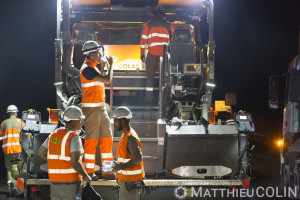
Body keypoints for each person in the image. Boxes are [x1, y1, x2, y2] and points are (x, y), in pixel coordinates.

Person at [38, 105, 92, 200]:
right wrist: (86, 176)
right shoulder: (74, 137)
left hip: (55, 183)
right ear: (75, 121)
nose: (82, 123)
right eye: (80, 120)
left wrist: (57, 163)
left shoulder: (53, 134)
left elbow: (41, 153)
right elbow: (75, 162)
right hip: (71, 184)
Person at [80, 40, 114, 180]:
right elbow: (107, 80)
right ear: (91, 54)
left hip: (100, 110)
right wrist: (111, 65)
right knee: (91, 142)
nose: (101, 55)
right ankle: (89, 173)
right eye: (98, 53)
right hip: (92, 112)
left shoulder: (93, 68)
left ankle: (107, 172)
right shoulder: (87, 69)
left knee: (107, 141)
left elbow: (103, 79)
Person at [140, 7, 175, 102]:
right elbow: (173, 39)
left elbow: (143, 40)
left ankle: (149, 100)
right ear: (163, 15)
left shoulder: (148, 24)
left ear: (154, 14)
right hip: (164, 54)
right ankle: (164, 100)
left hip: (152, 53)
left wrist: (142, 53)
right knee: (165, 77)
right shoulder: (169, 25)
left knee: (150, 77)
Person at [112, 106, 144, 200]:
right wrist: (119, 174)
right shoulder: (124, 135)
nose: (114, 124)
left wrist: (120, 167)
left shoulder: (131, 137)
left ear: (123, 121)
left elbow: (138, 158)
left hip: (131, 183)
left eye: (115, 121)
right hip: (126, 181)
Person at [0, 105, 22, 196]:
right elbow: (24, 136)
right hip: (18, 149)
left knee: (9, 169)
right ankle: (20, 190)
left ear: (8, 113)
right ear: (15, 113)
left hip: (8, 150)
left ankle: (10, 190)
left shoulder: (3, 123)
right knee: (20, 169)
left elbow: (1, 138)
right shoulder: (20, 121)